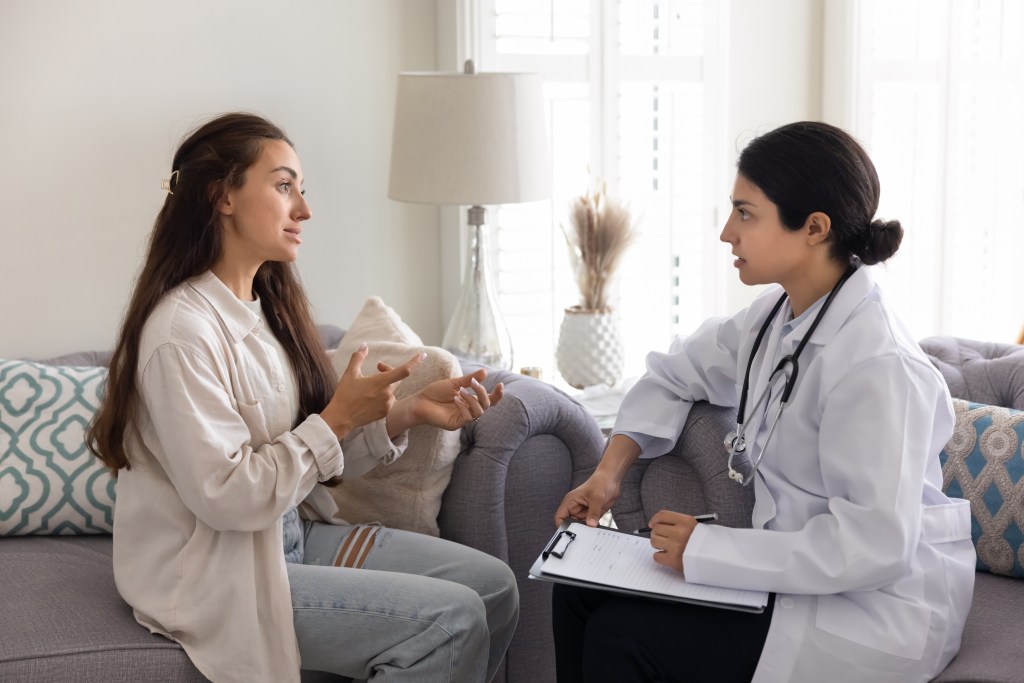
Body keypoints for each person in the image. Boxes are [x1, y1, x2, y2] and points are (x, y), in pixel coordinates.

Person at [88, 112, 518, 683]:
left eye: (301, 189)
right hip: (222, 570)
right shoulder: (180, 334)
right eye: (284, 185)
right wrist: (336, 420)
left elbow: (303, 460)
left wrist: (404, 414)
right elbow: (229, 496)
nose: (304, 210)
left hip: (289, 534)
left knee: (495, 588)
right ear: (223, 196)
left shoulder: (265, 310)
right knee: (452, 618)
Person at [552, 121, 975, 682]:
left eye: (745, 213)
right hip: (790, 576)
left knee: (623, 635)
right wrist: (608, 475)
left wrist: (710, 550)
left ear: (814, 228)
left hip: (877, 611)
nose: (727, 232)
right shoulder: (780, 318)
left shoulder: (878, 366)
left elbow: (876, 547)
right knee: (576, 592)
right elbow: (673, 371)